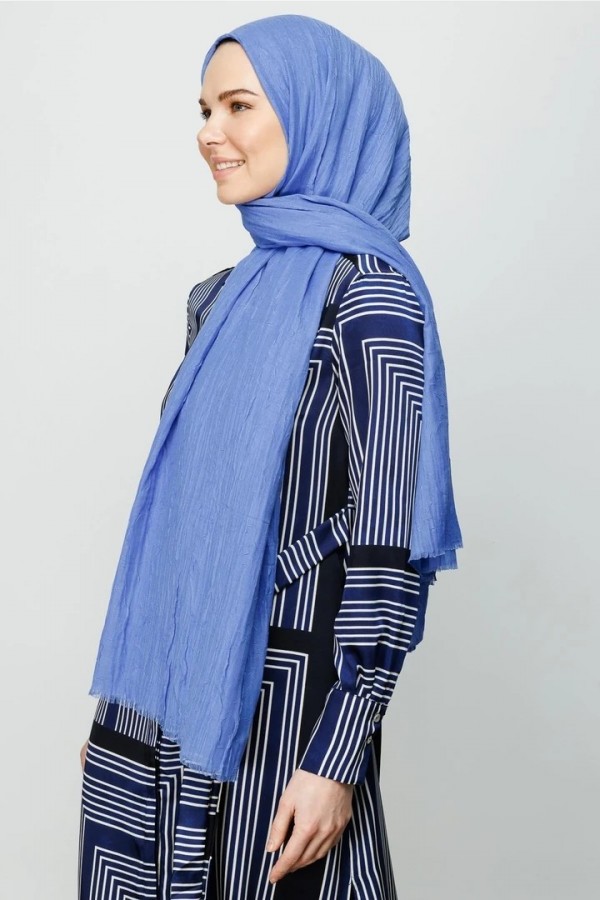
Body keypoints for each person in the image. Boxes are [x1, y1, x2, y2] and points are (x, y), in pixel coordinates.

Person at [78, 14, 462, 900]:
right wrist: (122, 716)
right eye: (204, 109)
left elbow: (386, 547)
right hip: (159, 712)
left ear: (318, 115)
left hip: (287, 719)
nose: (210, 132)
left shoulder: (371, 300)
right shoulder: (218, 301)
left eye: (239, 106)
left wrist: (338, 760)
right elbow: (184, 529)